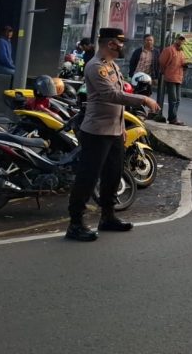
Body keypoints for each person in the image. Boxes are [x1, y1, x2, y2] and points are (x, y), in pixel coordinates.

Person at [67, 27, 159, 242]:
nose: (122, 46)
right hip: (97, 132)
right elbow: (111, 95)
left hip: (114, 131)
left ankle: (107, 217)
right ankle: (75, 224)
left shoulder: (112, 66)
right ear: (111, 44)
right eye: (120, 42)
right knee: (87, 179)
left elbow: (117, 101)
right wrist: (143, 99)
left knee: (113, 175)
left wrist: (122, 128)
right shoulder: (95, 66)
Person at [158, 34, 188, 125]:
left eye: (182, 40)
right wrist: (164, 72)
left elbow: (183, 63)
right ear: (176, 40)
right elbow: (162, 62)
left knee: (178, 100)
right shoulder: (169, 50)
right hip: (171, 77)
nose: (181, 41)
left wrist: (185, 65)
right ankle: (173, 118)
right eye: (179, 39)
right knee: (173, 99)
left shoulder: (181, 52)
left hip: (179, 77)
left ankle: (173, 117)